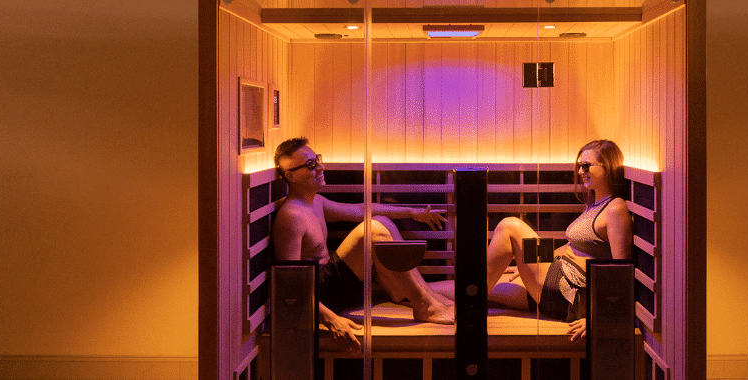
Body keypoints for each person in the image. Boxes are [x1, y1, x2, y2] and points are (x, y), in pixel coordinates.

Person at [438, 139, 633, 342]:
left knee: (509, 226)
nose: (581, 171)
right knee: (482, 286)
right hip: (556, 277)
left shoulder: (615, 209)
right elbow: (572, 247)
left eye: (587, 165)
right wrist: (527, 263)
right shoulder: (594, 204)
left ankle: (465, 311)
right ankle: (414, 295)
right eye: (579, 166)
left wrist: (597, 318)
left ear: (608, 167)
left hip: (573, 294)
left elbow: (621, 273)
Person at [271, 137, 454, 352]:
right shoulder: (291, 216)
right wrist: (331, 319)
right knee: (374, 230)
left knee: (382, 222)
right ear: (291, 175)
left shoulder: (314, 202)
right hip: (317, 296)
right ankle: (426, 305)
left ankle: (426, 298)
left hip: (333, 288)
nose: (321, 167)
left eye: (317, 159)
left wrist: (413, 212)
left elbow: (361, 209)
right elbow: (288, 284)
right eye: (311, 165)